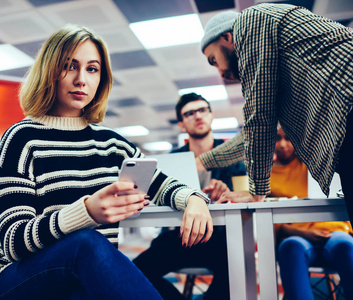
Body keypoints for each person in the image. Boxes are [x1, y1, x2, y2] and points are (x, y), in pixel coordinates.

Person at [0, 24, 213, 300]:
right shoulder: (21, 139)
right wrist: (86, 212)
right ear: (49, 71)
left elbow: (162, 185)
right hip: (17, 278)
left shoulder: (112, 143)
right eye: (69, 66)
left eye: (92, 69)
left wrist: (194, 199)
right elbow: (14, 242)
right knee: (86, 242)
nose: (81, 80)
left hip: (77, 278)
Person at [195, 3, 353, 221]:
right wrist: (202, 162)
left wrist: (256, 192)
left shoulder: (249, 22)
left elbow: (259, 117)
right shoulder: (279, 64)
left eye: (214, 60)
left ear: (228, 37)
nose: (221, 72)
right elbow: (252, 136)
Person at [133, 93, 246, 300]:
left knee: (238, 266)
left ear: (211, 116)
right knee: (133, 273)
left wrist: (228, 194)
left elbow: (246, 200)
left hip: (219, 238)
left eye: (203, 110)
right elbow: (157, 198)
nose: (198, 116)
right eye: (190, 113)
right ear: (182, 124)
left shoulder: (232, 157)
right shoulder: (172, 160)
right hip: (180, 237)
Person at [272, 127, 353, 300]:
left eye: (288, 138)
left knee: (344, 244)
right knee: (290, 247)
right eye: (277, 138)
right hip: (298, 237)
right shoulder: (265, 177)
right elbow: (270, 222)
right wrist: (302, 232)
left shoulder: (311, 164)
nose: (283, 144)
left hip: (336, 233)